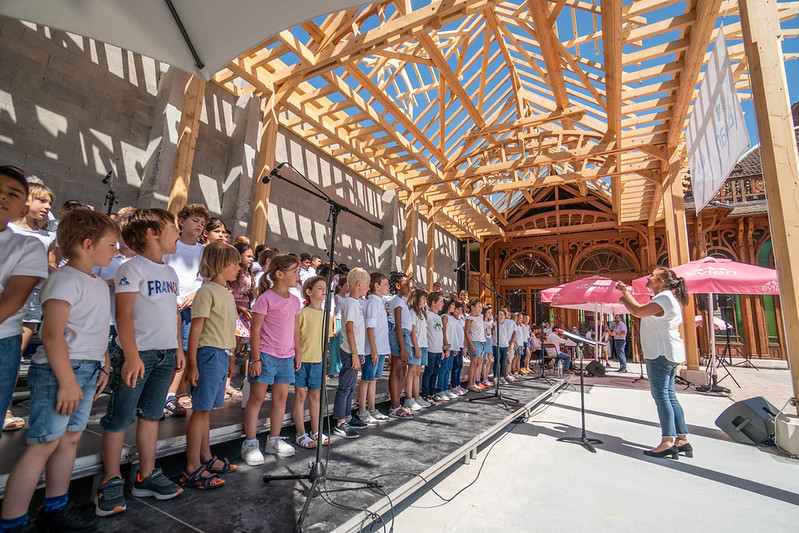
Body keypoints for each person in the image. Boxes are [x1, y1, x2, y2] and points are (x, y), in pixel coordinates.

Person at [1, 209, 117, 532]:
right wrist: (67, 380)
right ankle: (12, 521)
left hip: (87, 370)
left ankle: (55, 506)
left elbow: (96, 328)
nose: (116, 251)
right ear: (87, 244)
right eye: (112, 244)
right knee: (43, 445)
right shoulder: (64, 279)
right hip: (60, 373)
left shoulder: (94, 282)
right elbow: (52, 334)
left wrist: (104, 362)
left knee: (69, 440)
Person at [96, 208, 185, 517]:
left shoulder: (171, 272)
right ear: (152, 232)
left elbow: (173, 312)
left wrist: (178, 347)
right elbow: (122, 314)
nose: (178, 233)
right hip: (138, 354)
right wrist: (131, 355)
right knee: (119, 418)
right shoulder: (131, 269)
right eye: (172, 227)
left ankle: (146, 475)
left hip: (164, 354)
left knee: (151, 416)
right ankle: (110, 478)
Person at [180, 242, 241, 489]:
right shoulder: (206, 292)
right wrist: (192, 364)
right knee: (200, 411)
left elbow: (227, 329)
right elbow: (196, 330)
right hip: (207, 355)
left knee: (207, 411)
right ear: (219, 265)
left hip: (221, 355)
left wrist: (231, 358)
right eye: (234, 263)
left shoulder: (226, 293)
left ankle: (205, 457)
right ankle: (192, 465)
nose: (239, 267)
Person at [616, 269, 692, 459]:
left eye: (652, 275)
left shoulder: (664, 299)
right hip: (667, 350)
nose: (648, 277)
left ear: (660, 281)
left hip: (660, 352)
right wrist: (626, 293)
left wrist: (624, 300)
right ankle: (682, 439)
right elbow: (641, 308)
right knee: (670, 395)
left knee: (661, 396)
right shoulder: (665, 299)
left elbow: (638, 311)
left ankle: (667, 441)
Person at [0, 166, 48, 436]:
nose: (4, 198)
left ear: (22, 205)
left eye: (13, 193)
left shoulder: (27, 246)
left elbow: (14, 298)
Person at [241, 254, 302, 463]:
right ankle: (249, 442)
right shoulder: (266, 298)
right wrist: (256, 359)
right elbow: (255, 330)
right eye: (295, 271)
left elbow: (295, 328)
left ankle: (273, 439)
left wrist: (297, 353)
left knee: (281, 398)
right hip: (266, 355)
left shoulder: (294, 301)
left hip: (286, 357)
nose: (298, 275)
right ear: (279, 274)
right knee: (257, 399)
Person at [163, 203, 209, 417]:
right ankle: (165, 392)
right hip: (168, 303)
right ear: (181, 222)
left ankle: (171, 395)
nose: (199, 225)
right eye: (194, 221)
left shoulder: (203, 251)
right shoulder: (171, 246)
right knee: (169, 348)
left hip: (190, 306)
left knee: (185, 349)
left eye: (202, 223)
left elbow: (206, 278)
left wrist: (196, 294)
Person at [293, 276, 333, 449]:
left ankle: (316, 431)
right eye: (319, 288)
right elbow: (296, 336)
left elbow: (326, 341)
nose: (324, 290)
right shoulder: (302, 313)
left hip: (317, 361)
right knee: (300, 396)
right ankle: (300, 433)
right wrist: (297, 356)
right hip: (302, 361)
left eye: (325, 287)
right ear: (309, 292)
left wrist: (325, 362)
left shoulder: (326, 316)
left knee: (316, 396)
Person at [333, 268, 370, 438]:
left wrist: (359, 352)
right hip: (349, 351)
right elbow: (349, 329)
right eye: (367, 285)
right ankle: (340, 422)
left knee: (350, 386)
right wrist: (354, 353)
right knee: (345, 387)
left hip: (355, 351)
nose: (368, 289)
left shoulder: (356, 302)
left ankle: (347, 416)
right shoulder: (350, 303)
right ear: (359, 284)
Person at [356, 272, 391, 425]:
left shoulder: (379, 302)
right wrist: (374, 350)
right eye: (386, 284)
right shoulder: (372, 303)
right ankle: (362, 410)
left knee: (374, 379)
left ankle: (371, 408)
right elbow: (370, 329)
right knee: (366, 379)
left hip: (380, 348)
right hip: (372, 349)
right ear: (376, 286)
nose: (388, 287)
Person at [227, 242, 256, 399]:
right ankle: (226, 383)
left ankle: (229, 382)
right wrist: (240, 309)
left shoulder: (247, 274)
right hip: (236, 311)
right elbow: (229, 295)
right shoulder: (234, 274)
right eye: (248, 256)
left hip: (245, 311)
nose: (251, 259)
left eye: (252, 256)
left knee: (237, 347)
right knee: (232, 347)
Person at [387, 271, 413, 417]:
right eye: (406, 284)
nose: (409, 287)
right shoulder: (396, 301)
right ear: (397, 285)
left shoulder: (402, 301)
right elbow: (397, 325)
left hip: (405, 335)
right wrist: (402, 348)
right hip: (400, 336)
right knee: (396, 370)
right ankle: (394, 405)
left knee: (402, 370)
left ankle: (398, 404)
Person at [405, 288, 428, 411]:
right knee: (412, 371)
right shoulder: (412, 312)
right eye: (423, 298)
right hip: (416, 346)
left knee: (418, 372)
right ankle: (409, 398)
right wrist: (417, 347)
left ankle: (416, 395)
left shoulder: (421, 313)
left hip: (423, 345)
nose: (425, 301)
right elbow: (412, 331)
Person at [422, 291, 446, 404]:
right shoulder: (427, 315)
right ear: (433, 302)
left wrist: (441, 349)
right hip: (430, 348)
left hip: (437, 349)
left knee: (435, 371)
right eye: (441, 301)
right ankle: (425, 394)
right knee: (429, 372)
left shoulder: (438, 317)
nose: (443, 304)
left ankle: (433, 392)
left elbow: (439, 333)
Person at [464, 299, 485, 392]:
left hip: (481, 341)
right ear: (472, 307)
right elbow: (466, 332)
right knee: (473, 363)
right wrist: (470, 344)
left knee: (478, 363)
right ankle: (470, 384)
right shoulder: (469, 318)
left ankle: (474, 382)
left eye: (481, 306)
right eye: (478, 306)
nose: (480, 308)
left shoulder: (481, 316)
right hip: (474, 341)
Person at [493, 308, 516, 384]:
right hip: (496, 344)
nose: (501, 316)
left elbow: (512, 332)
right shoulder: (494, 324)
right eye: (500, 314)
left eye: (503, 314)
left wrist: (512, 342)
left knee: (503, 361)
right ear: (496, 315)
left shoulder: (507, 324)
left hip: (505, 344)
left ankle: (502, 376)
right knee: (496, 360)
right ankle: (495, 376)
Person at [450, 301, 466, 394]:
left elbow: (462, 333)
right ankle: (454, 385)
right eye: (457, 309)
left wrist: (464, 345)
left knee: (459, 366)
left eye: (460, 309)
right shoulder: (452, 319)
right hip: (454, 346)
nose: (459, 311)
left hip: (460, 345)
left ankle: (458, 384)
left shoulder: (461, 319)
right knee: (455, 366)